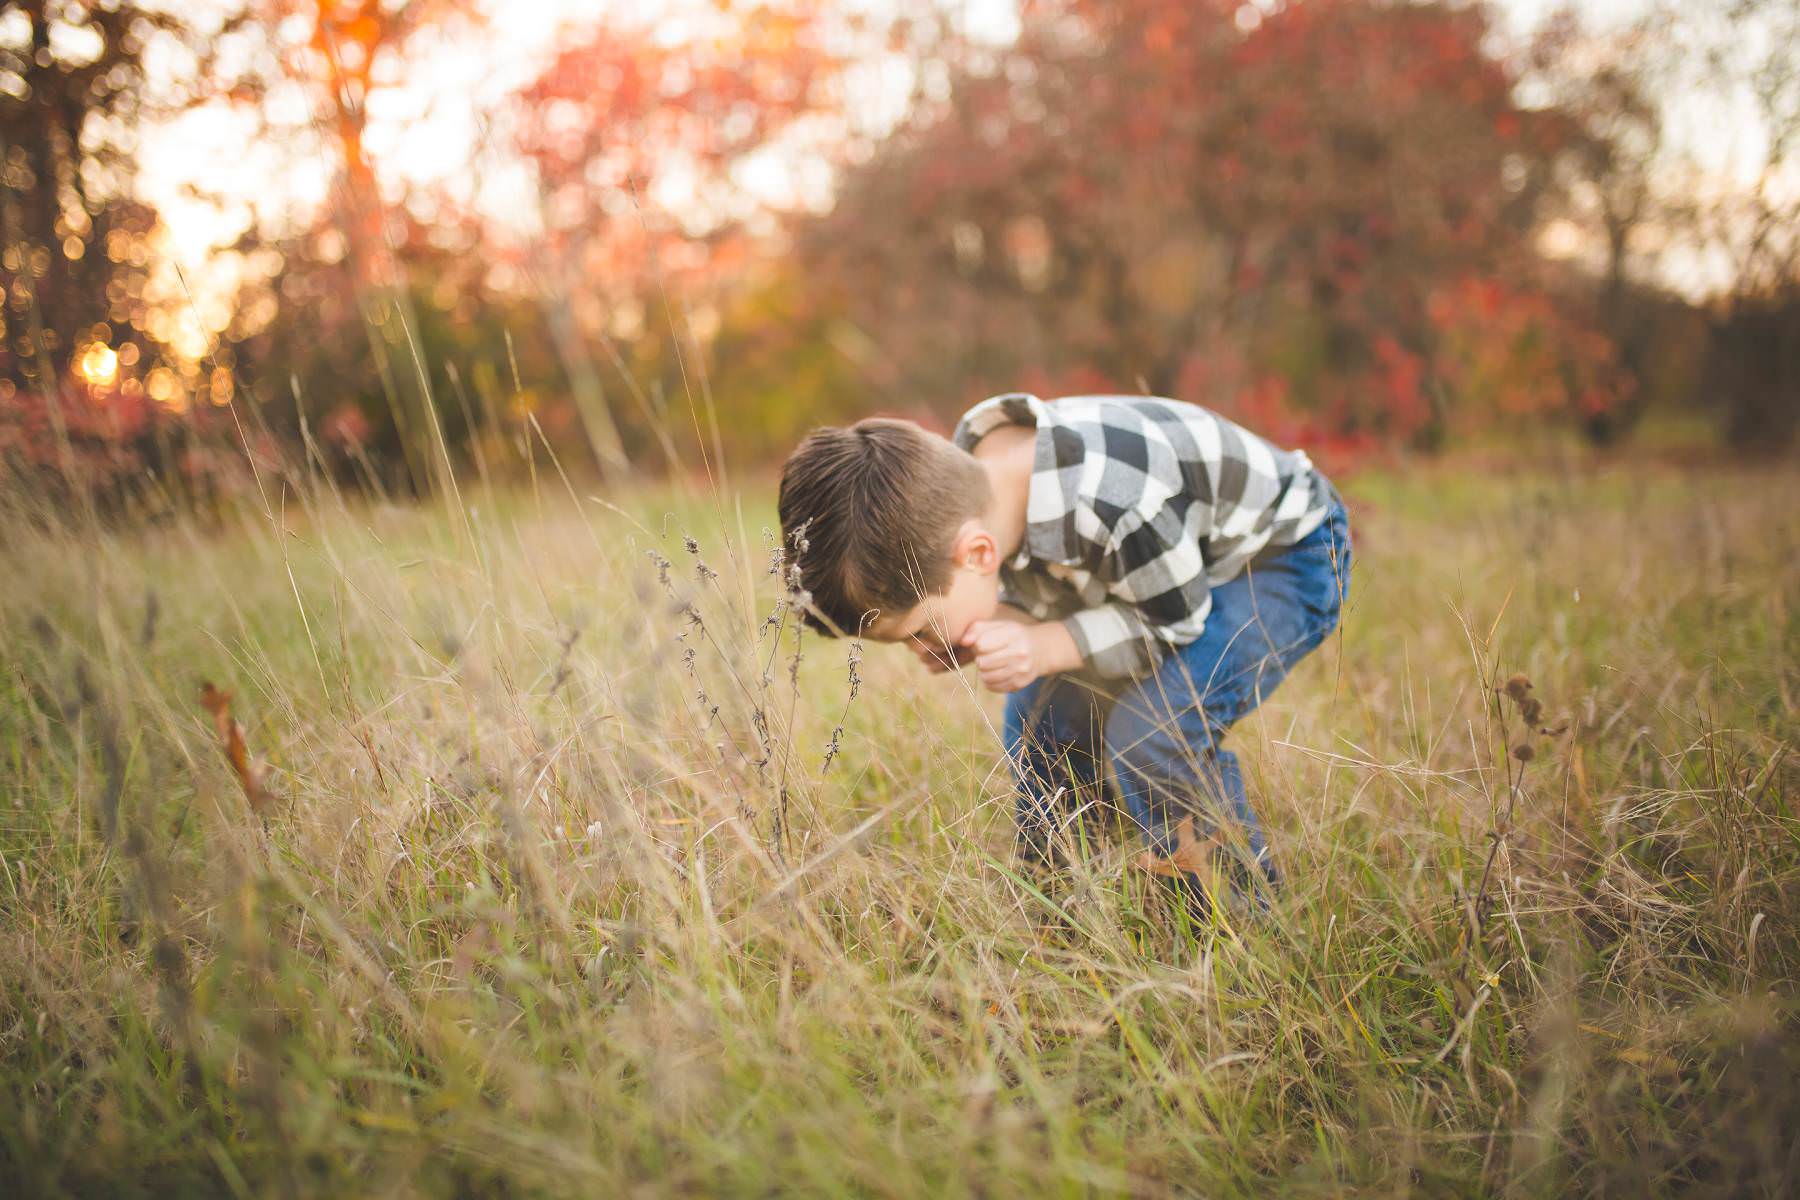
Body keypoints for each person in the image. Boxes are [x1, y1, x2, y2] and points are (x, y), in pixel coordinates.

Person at [777, 391, 1352, 916]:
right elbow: (1059, 591)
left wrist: (1047, 642)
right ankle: (1063, 893)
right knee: (1039, 719)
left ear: (977, 553)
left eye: (921, 630)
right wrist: (1008, 626)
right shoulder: (959, 494)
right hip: (1160, 572)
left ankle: (1240, 914)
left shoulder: (1115, 502)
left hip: (1281, 557)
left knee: (1153, 731)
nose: (925, 650)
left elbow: (1176, 623)